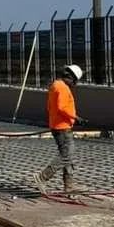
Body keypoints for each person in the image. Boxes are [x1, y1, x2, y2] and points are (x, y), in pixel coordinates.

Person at [33, 64, 83, 193]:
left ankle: (69, 186)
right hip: (62, 127)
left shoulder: (56, 85)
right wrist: (75, 117)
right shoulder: (62, 88)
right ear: (70, 77)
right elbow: (62, 107)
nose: (74, 84)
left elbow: (51, 107)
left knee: (68, 156)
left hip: (59, 125)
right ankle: (42, 177)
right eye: (74, 81)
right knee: (66, 155)